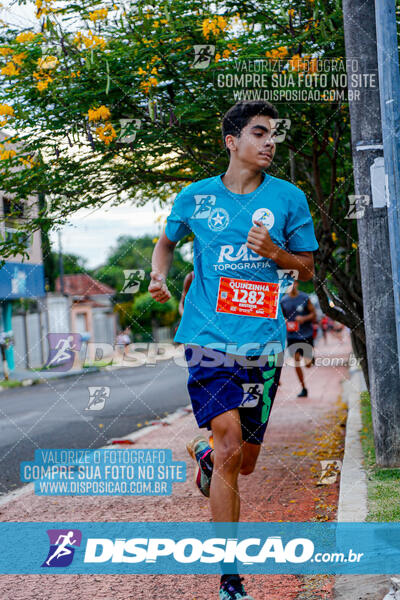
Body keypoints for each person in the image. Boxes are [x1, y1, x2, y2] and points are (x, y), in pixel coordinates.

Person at [148, 100, 318, 600]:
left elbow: (306, 268)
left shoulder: (289, 198)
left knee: (243, 461)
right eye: (259, 133)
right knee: (228, 451)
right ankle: (230, 578)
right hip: (206, 339)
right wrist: (159, 277)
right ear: (232, 141)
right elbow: (166, 242)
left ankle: (205, 459)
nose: (269, 143)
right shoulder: (195, 198)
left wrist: (276, 254)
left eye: (273, 135)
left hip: (262, 344)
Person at [281, 280, 317, 397]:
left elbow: (314, 314)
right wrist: (285, 321)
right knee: (296, 361)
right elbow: (282, 317)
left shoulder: (304, 297)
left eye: (293, 283)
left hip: (306, 334)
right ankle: (303, 388)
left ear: (297, 284)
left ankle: (311, 358)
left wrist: (304, 318)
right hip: (292, 336)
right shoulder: (283, 300)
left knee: (308, 364)